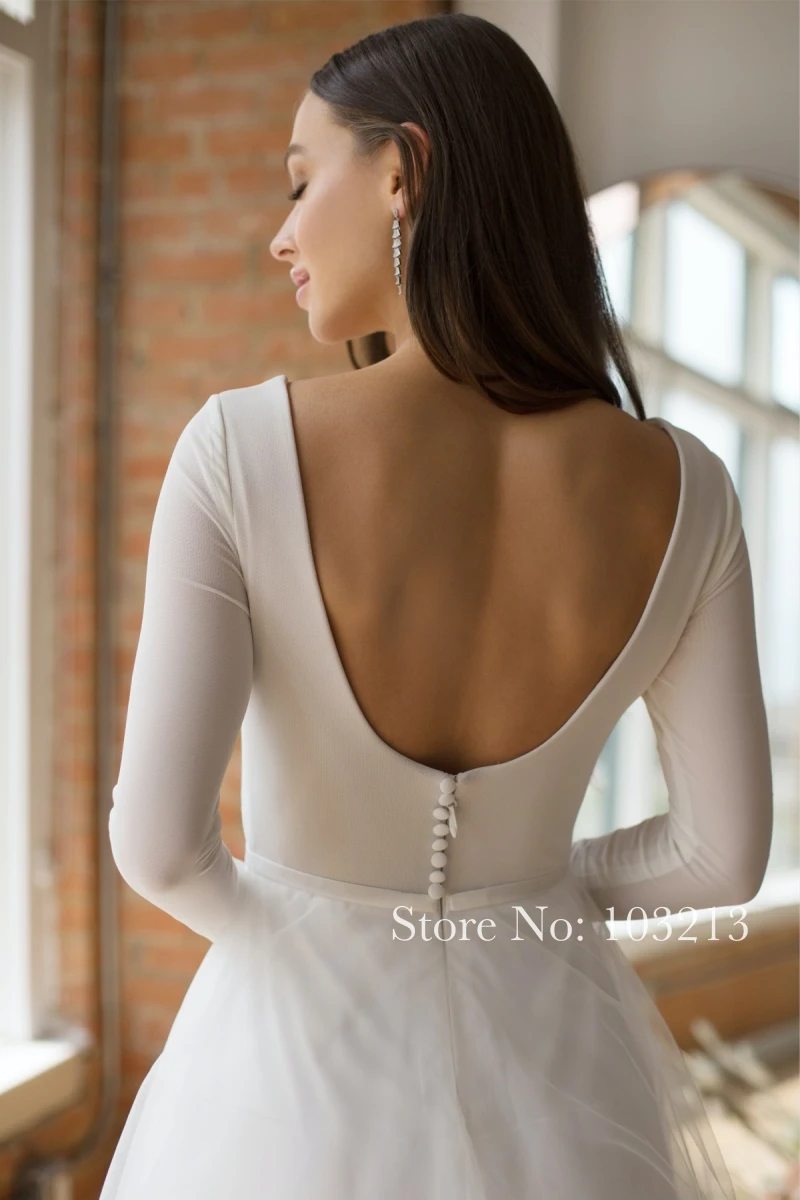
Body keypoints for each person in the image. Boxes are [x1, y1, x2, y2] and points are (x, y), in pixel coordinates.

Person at [99, 13, 773, 1199]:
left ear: (400, 172)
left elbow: (157, 845)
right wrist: (523, 897)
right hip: (561, 1075)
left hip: (287, 1085)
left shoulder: (239, 449)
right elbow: (719, 860)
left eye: (301, 181)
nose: (279, 234)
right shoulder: (688, 490)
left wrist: (319, 937)